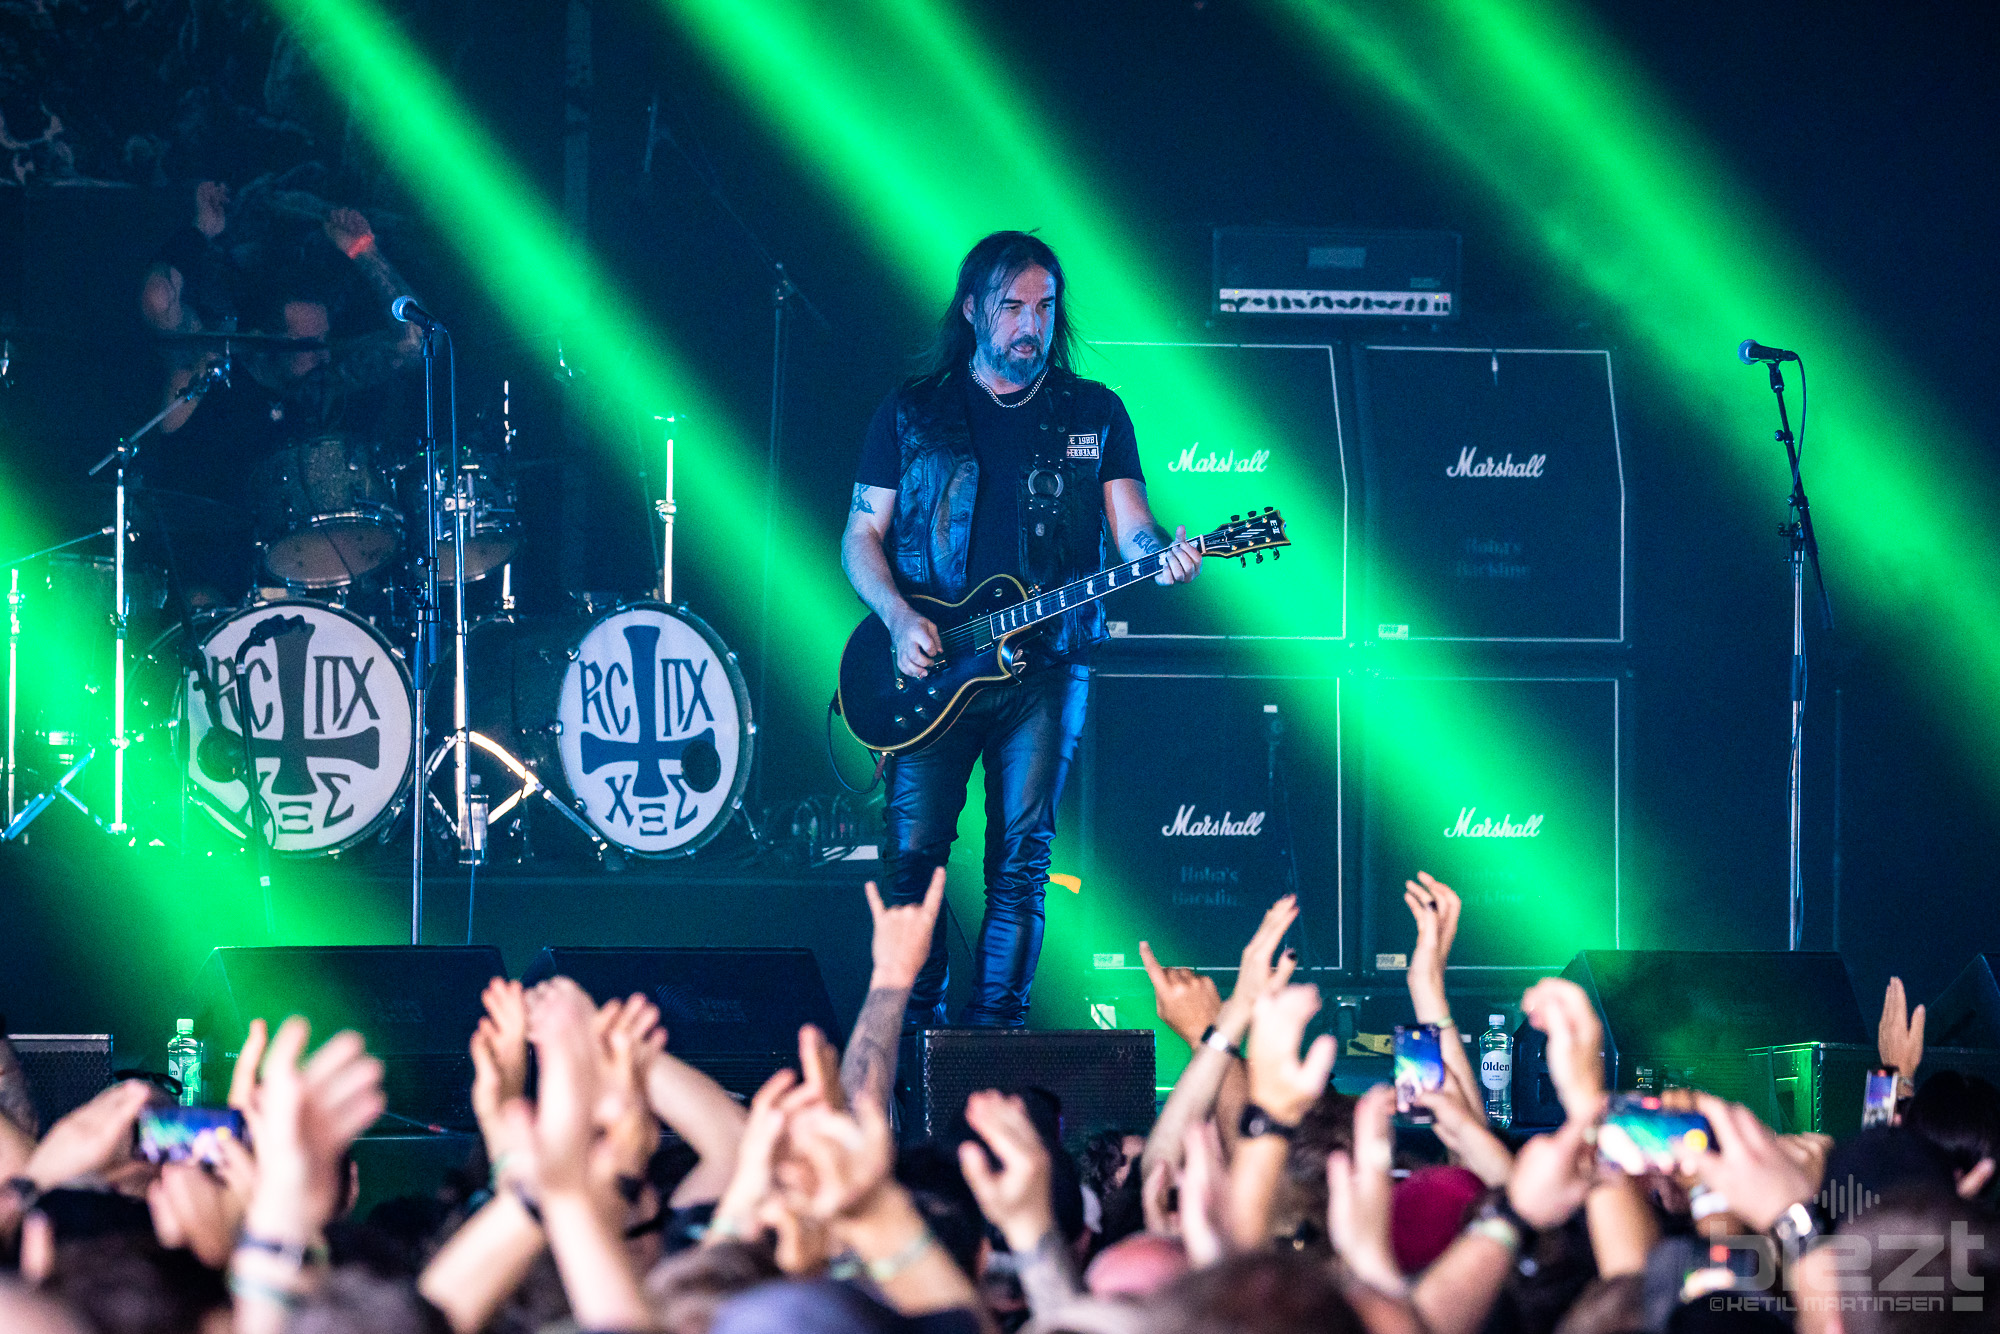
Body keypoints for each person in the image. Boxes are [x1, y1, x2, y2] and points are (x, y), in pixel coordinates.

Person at [841, 229, 1203, 1029]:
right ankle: (914, 1046)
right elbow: (861, 534)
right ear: (973, 310)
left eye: (1044, 307)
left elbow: (1133, 528)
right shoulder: (913, 411)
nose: (1030, 324)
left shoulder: (1094, 412)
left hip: (1045, 665)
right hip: (930, 661)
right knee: (913, 859)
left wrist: (1164, 555)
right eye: (1012, 307)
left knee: (1021, 863)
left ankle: (992, 1046)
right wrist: (899, 617)